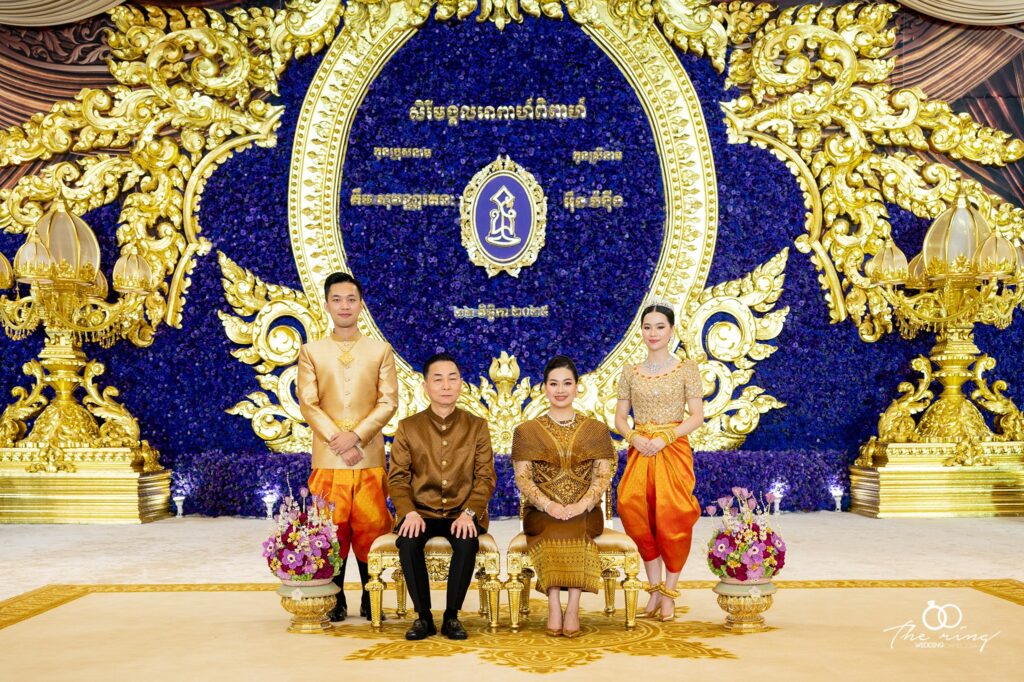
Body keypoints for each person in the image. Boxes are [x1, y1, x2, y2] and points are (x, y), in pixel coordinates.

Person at [297, 272, 398, 622]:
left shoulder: (380, 350)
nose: (344, 306)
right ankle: (334, 597)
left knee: (372, 527)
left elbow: (388, 402)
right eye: (337, 299)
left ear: (360, 304)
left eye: (351, 299)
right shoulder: (311, 352)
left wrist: (356, 437)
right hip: (328, 459)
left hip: (368, 457)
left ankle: (372, 596)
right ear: (326, 305)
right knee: (331, 531)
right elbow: (308, 403)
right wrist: (339, 441)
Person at [388, 353, 496, 641]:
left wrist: (470, 513)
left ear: (461, 383)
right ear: (425, 386)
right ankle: (423, 617)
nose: (446, 385)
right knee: (408, 542)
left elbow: (485, 477)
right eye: (438, 379)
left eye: (452, 378)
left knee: (467, 541)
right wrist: (408, 512)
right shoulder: (408, 427)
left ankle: (451, 616)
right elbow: (397, 478)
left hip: (462, 512)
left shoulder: (477, 426)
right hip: (420, 511)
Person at [511, 355, 615, 638]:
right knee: (554, 526)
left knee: (576, 525)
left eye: (567, 383)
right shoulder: (526, 432)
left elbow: (602, 476)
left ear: (577, 387)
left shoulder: (596, 430)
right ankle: (554, 604)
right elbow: (523, 478)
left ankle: (573, 607)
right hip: (540, 512)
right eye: (554, 383)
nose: (560, 390)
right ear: (544, 387)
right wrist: (549, 505)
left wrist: (582, 504)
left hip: (587, 511)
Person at [614, 302, 704, 622]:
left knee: (672, 514)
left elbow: (697, 416)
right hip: (641, 450)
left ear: (672, 330)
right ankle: (653, 589)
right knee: (634, 509)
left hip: (672, 449)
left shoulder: (686, 369)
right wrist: (632, 437)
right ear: (641, 331)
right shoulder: (630, 371)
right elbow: (620, 418)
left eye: (660, 327)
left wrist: (666, 437)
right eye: (648, 327)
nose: (653, 333)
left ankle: (669, 592)